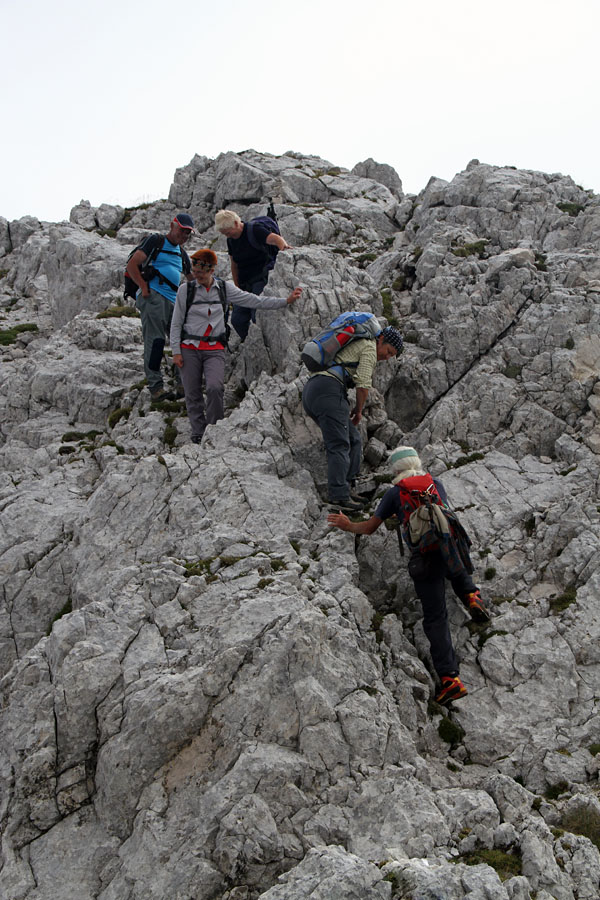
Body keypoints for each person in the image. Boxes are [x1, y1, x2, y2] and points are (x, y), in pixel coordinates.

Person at [327, 446, 491, 706]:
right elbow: (446, 517)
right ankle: (472, 595)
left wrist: (348, 525)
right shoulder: (434, 483)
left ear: (396, 469)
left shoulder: (395, 493)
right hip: (450, 548)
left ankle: (451, 680)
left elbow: (370, 528)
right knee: (451, 550)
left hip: (424, 559)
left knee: (436, 617)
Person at [170, 248, 302, 443]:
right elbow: (176, 322)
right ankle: (198, 433)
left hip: (215, 348)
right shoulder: (185, 290)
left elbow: (253, 300)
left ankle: (214, 428)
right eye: (195, 271)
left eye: (201, 272)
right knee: (192, 392)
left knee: (215, 387)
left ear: (211, 270)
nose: (196, 275)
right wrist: (175, 351)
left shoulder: (224, 289)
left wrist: (285, 301)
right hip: (189, 348)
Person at [302, 325, 404, 512]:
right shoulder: (368, 347)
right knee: (339, 444)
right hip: (328, 390)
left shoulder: (362, 345)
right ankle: (338, 497)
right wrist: (358, 410)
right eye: (388, 351)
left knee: (354, 440)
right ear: (380, 340)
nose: (387, 357)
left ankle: (348, 489)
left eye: (392, 355)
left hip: (316, 391)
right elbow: (363, 384)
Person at [126, 213, 194, 401]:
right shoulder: (155, 241)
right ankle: (156, 388)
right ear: (173, 226)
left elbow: (191, 278)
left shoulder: (181, 253)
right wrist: (144, 287)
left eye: (188, 233)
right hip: (154, 297)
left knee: (182, 340)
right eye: (182, 230)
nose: (184, 235)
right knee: (155, 341)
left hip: (174, 301)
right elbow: (132, 264)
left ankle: (183, 384)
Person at [215, 209, 292, 341]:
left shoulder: (254, 230)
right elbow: (234, 264)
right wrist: (237, 286)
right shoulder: (231, 241)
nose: (227, 235)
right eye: (224, 234)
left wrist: (285, 251)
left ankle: (266, 345)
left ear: (235, 223)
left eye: (228, 232)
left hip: (261, 279)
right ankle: (252, 344)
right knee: (237, 319)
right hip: (244, 283)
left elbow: (275, 239)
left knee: (257, 314)